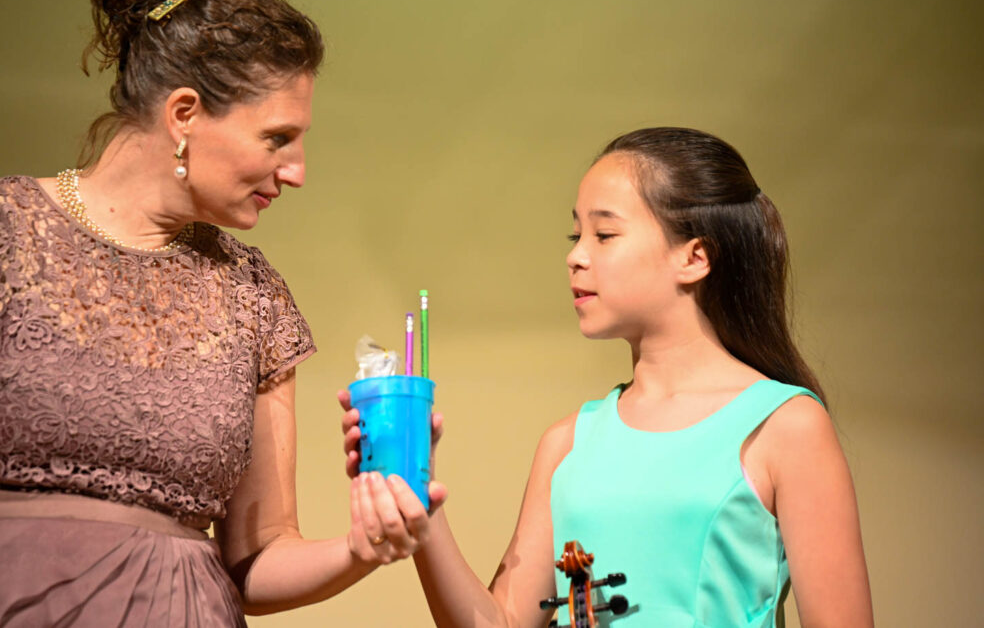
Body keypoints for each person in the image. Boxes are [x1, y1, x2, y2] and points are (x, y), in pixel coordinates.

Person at [0, 0, 433, 625]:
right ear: (184, 113)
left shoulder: (253, 295)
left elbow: (258, 557)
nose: (297, 171)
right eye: (277, 138)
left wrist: (362, 549)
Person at [341, 127, 874, 627]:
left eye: (604, 234)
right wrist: (418, 497)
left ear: (695, 257)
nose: (575, 256)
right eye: (576, 234)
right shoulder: (566, 443)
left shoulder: (787, 426)